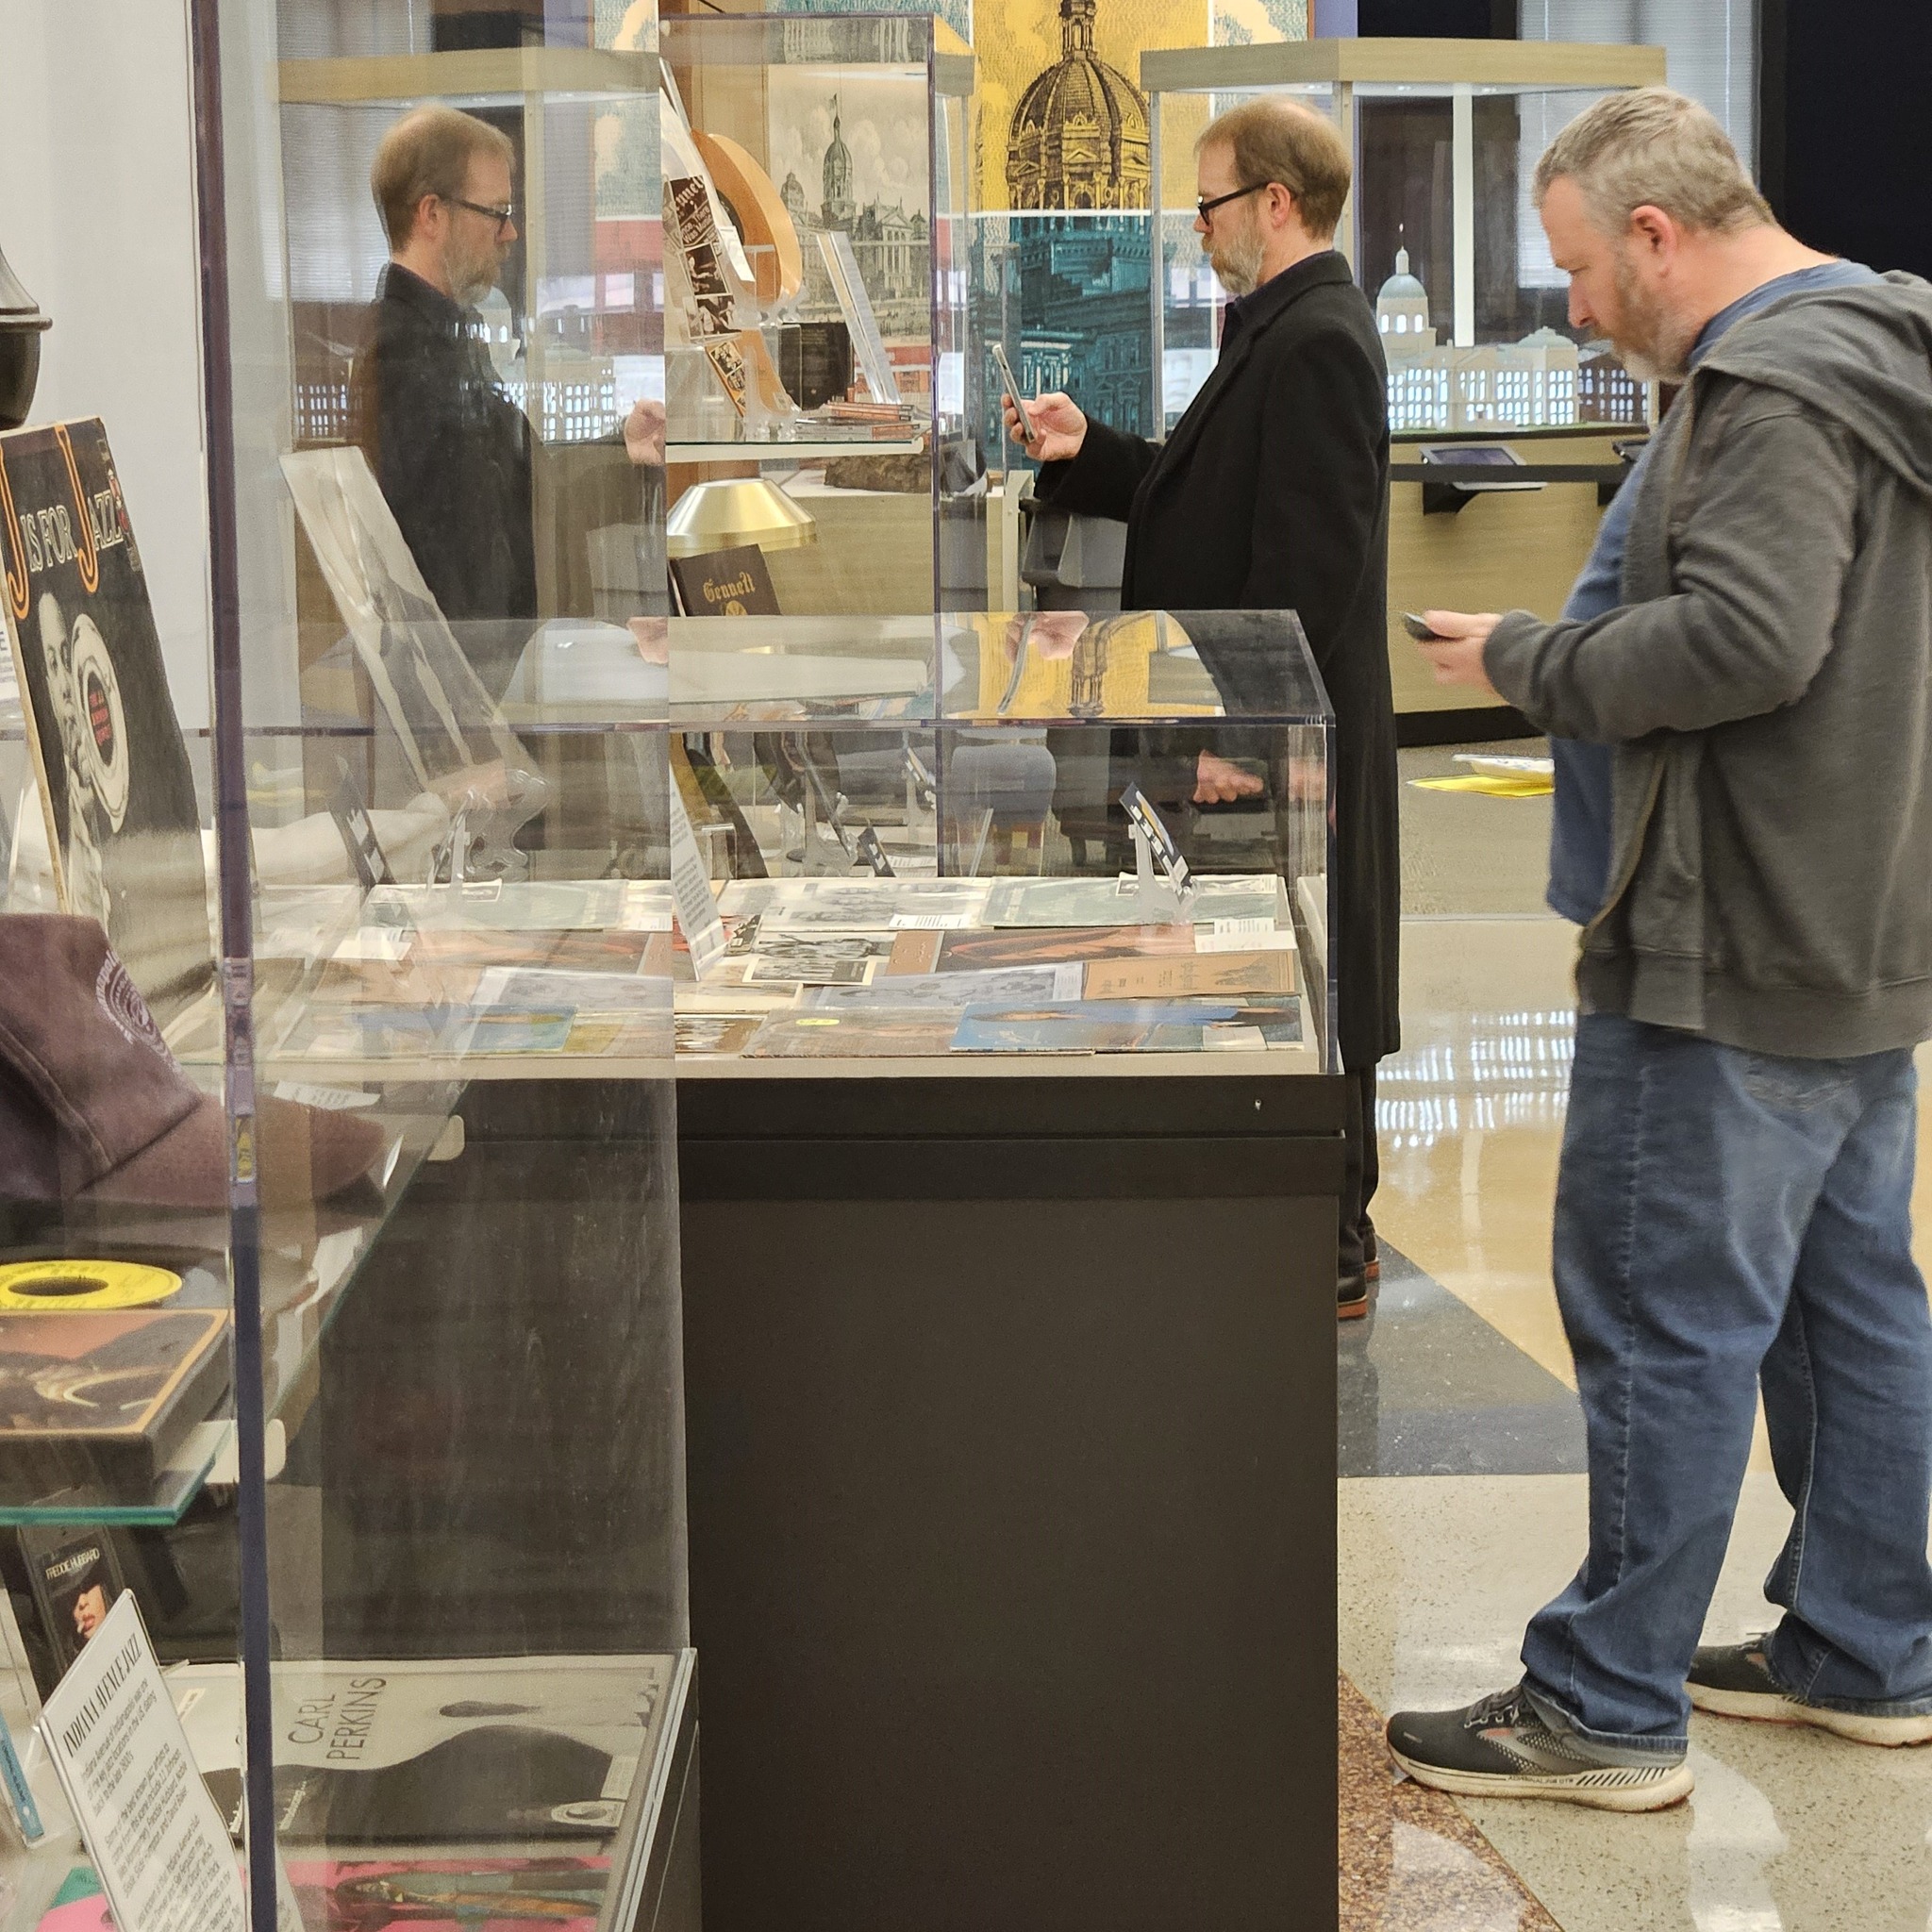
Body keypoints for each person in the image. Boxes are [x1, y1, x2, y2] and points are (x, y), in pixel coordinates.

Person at [1391, 86, 1932, 1809]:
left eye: (1576, 268)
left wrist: (1530, 661)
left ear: (1654, 232)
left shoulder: (1770, 387)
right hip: (1849, 918)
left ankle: (1605, 1702)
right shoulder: (1880, 351)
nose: (1572, 307)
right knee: (1849, 1303)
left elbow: (1750, 641)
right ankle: (1866, 1644)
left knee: (1660, 1314)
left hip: (1725, 927)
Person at [1002, 98, 1398, 1316]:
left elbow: (1305, 571)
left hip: (1279, 750)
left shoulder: (1316, 340)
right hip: (1258, 737)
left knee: (1316, 978)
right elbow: (1214, 492)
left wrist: (1245, 743)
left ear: (1274, 203)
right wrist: (1090, 449)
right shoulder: (1279, 327)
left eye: (1210, 202)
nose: (1197, 225)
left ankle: (1330, 1240)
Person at [350, 106, 666, 697]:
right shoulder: (401, 354)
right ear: (432, 214)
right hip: (469, 682)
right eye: (496, 212)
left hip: (492, 669)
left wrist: (620, 445)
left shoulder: (440, 337)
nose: (510, 233)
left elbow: (519, 478)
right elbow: (449, 563)